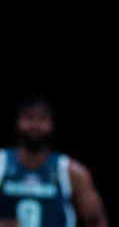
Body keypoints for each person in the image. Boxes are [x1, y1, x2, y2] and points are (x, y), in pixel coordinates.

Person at [0, 97, 109, 227]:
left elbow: (95, 220)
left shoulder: (71, 171)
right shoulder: (2, 162)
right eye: (29, 118)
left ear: (53, 124)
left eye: (42, 119)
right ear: (17, 122)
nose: (35, 125)